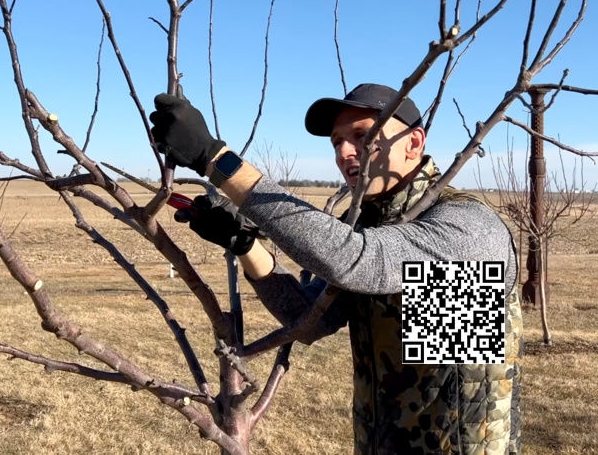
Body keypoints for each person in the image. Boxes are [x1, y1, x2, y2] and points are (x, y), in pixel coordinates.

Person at [149, 83, 522, 455]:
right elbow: (312, 319)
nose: (344, 152)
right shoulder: (370, 226)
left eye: (362, 136)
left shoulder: (465, 226)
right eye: (336, 142)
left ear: (413, 143)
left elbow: (360, 260)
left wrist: (216, 160)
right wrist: (245, 245)